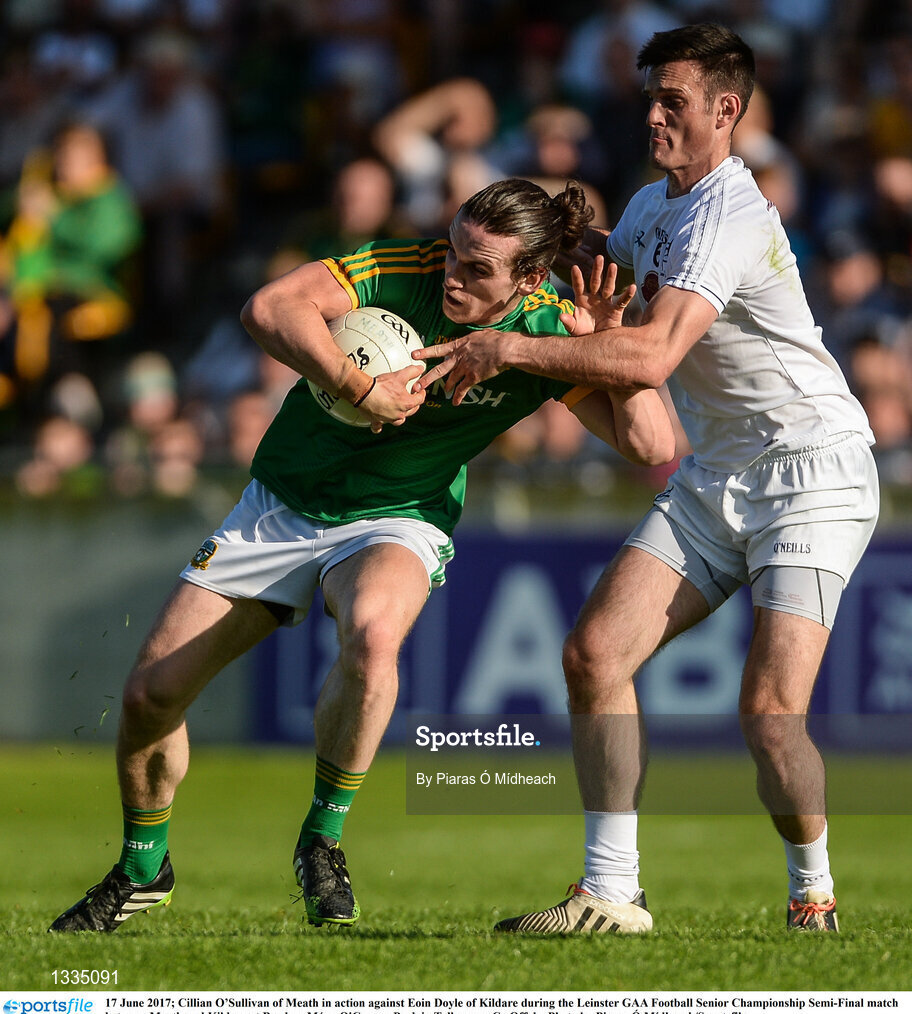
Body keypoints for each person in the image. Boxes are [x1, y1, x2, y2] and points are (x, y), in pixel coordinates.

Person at [47, 177, 675, 933]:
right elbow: (268, 308)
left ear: (529, 280)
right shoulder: (396, 266)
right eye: (454, 253)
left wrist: (596, 346)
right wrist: (355, 384)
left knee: (374, 639)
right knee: (151, 696)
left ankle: (322, 838)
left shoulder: (542, 334)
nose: (452, 275)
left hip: (398, 518)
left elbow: (653, 445)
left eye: (479, 271)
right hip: (281, 504)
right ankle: (145, 869)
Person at [413, 23, 880, 934]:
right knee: (594, 654)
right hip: (719, 475)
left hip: (812, 474)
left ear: (725, 110)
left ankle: (811, 896)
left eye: (674, 99)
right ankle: (611, 895)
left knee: (771, 716)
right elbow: (600, 307)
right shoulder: (650, 206)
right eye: (650, 97)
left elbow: (655, 351)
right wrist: (564, 301)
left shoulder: (730, 214)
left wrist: (507, 344)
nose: (655, 113)